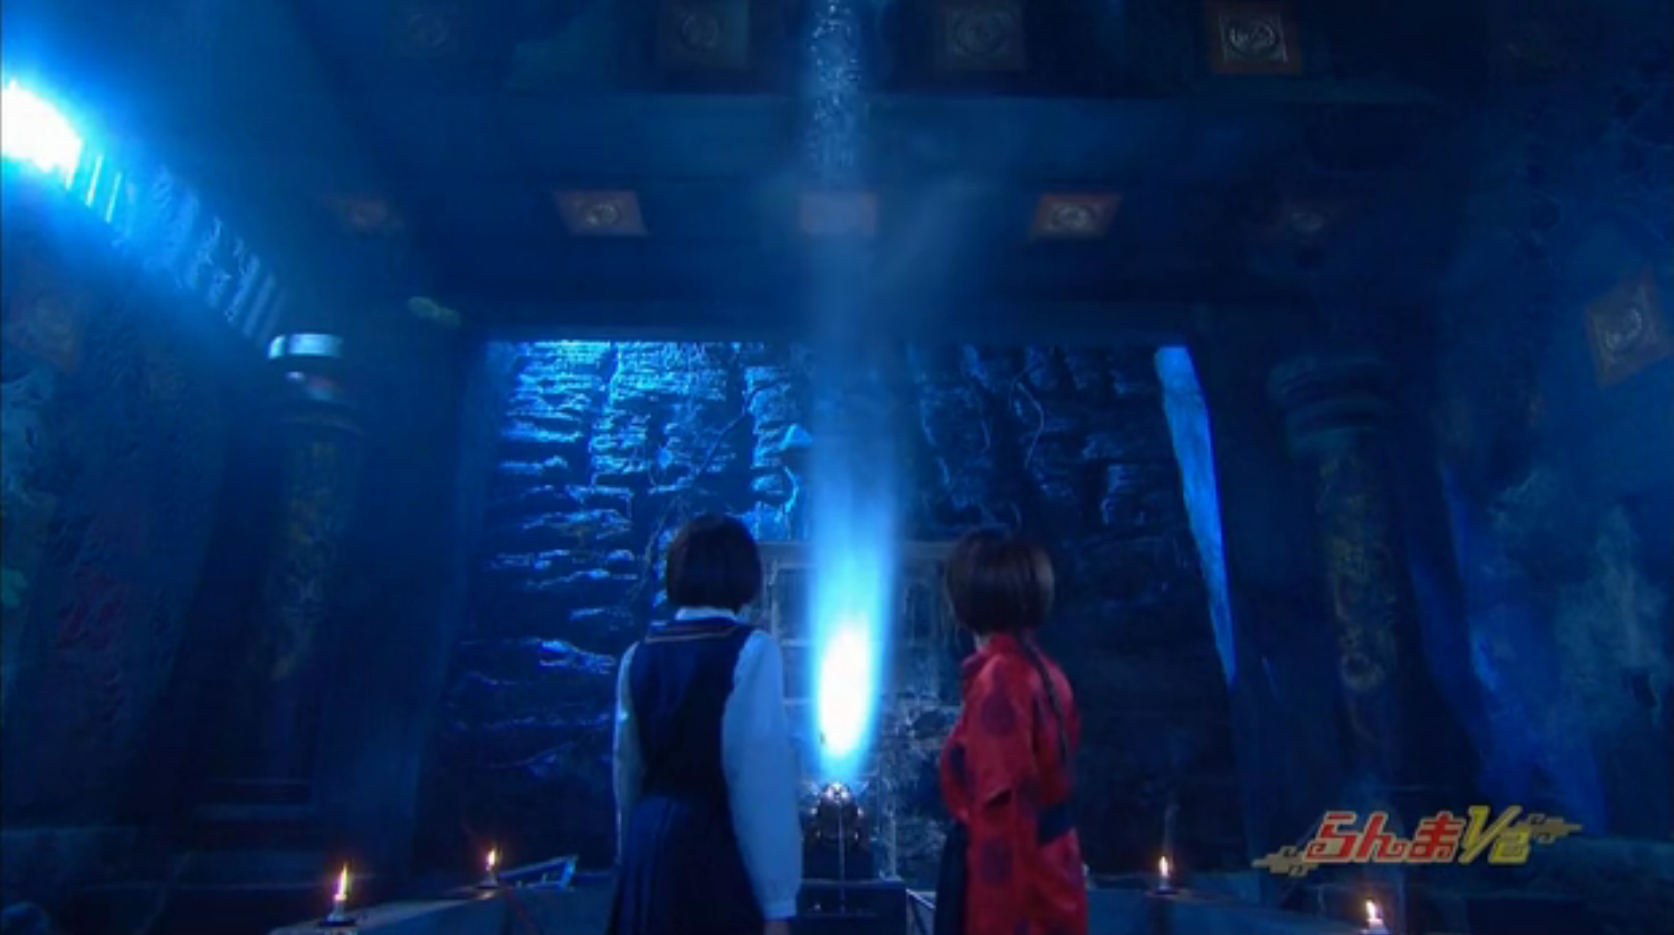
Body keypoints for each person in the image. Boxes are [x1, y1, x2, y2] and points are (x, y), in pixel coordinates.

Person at [609, 514, 802, 935]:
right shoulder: (751, 652)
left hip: (648, 848)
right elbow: (758, 781)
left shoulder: (638, 656)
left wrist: (632, 858)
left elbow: (627, 771)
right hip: (710, 848)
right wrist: (777, 902)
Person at [935, 529, 1088, 935]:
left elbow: (1000, 821)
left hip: (1014, 894)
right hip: (1051, 879)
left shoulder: (1000, 681)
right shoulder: (1046, 672)